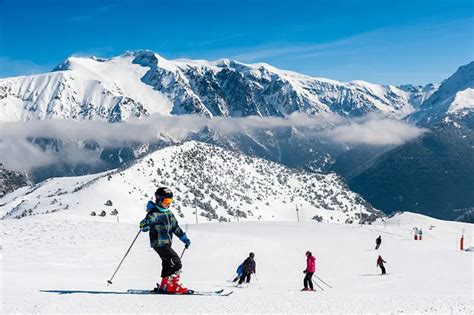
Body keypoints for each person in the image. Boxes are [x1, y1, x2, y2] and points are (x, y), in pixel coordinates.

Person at [139, 187, 191, 294]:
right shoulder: (154, 213)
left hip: (166, 243)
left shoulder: (169, 214)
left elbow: (175, 228)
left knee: (167, 263)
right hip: (158, 243)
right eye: (166, 201)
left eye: (170, 201)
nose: (169, 204)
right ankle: (173, 286)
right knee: (175, 261)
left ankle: (165, 285)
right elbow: (145, 224)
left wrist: (184, 239)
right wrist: (144, 225)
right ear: (159, 200)